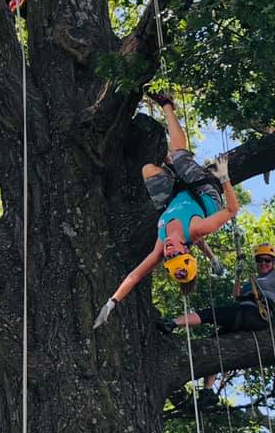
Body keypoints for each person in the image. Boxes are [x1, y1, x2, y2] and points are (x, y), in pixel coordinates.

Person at [94, 93, 238, 328]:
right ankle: (168, 105)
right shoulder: (197, 228)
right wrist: (224, 178)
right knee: (181, 157)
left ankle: (169, 168)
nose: (170, 252)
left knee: (148, 170)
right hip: (204, 191)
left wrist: (112, 302)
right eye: (176, 254)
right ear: (185, 249)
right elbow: (232, 210)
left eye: (169, 258)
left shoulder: (161, 247)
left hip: (172, 201)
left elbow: (135, 275)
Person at [160, 242, 275, 407]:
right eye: (260, 260)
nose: (263, 263)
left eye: (267, 260)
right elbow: (237, 296)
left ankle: (173, 323)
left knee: (210, 314)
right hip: (244, 312)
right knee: (215, 341)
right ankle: (207, 391)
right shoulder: (253, 279)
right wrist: (237, 277)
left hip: (255, 314)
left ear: (273, 262)